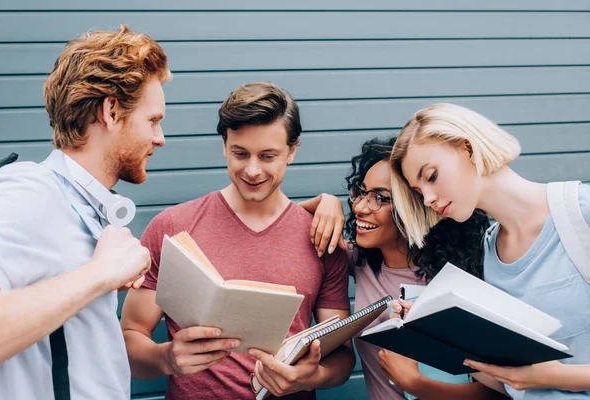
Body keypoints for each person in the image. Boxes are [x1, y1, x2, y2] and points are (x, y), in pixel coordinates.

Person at [120, 81, 355, 399]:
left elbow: (341, 354)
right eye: (240, 154)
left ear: (292, 150)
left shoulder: (321, 238)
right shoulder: (172, 227)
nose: (253, 170)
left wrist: (312, 376)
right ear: (224, 145)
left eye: (268, 156)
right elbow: (131, 336)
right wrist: (167, 358)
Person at [0, 24, 169, 399]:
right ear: (111, 110)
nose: (160, 138)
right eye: (153, 120)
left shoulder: (86, 208)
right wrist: (100, 274)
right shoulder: (32, 190)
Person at [388, 102, 590, 398]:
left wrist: (554, 375)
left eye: (431, 176)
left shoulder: (581, 213)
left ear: (468, 149)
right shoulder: (488, 251)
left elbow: (535, 378)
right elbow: (510, 382)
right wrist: (439, 335)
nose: (428, 198)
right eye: (419, 192)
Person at [303, 137, 508, 400]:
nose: (359, 207)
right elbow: (281, 218)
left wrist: (415, 384)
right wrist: (326, 202)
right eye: (361, 193)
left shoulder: (462, 281)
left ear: (414, 206)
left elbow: (500, 390)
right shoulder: (360, 261)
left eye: (379, 198)